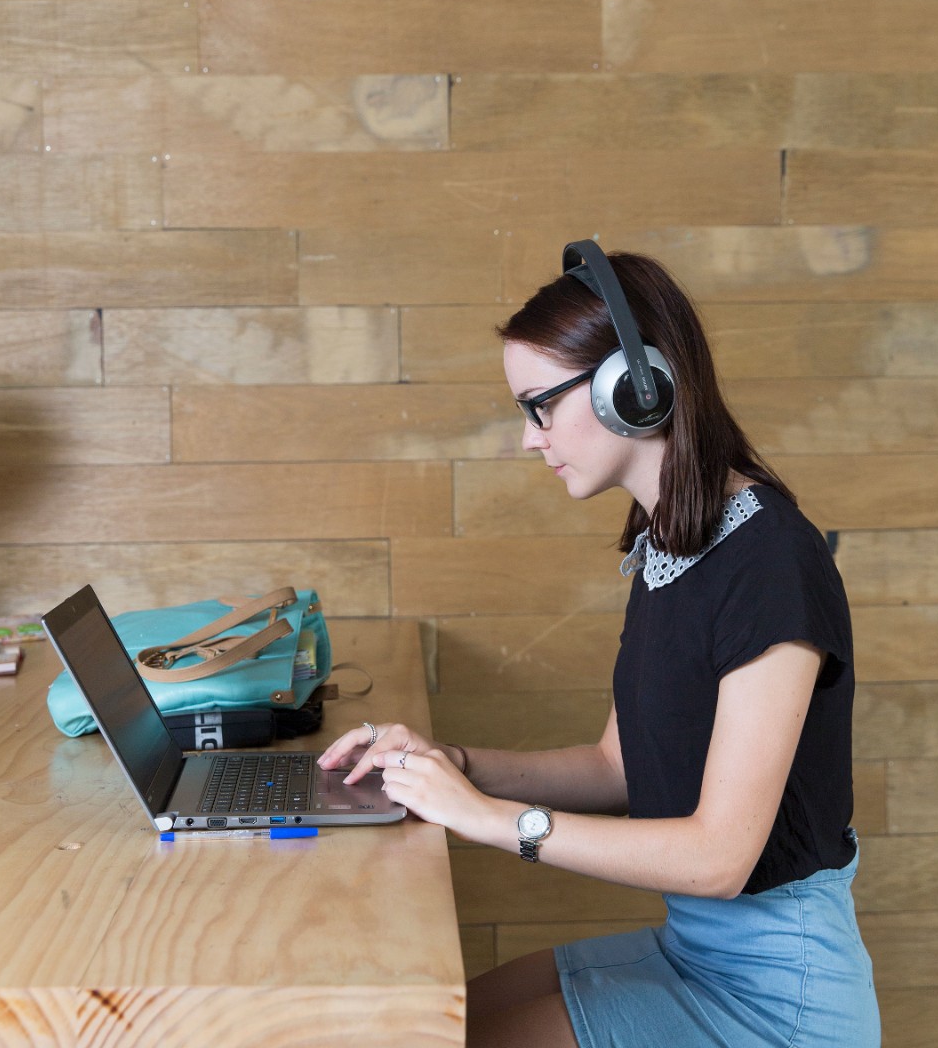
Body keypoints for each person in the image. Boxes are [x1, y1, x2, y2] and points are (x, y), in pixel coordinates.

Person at [318, 242, 881, 1048]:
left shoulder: (771, 564)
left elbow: (721, 857)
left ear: (636, 387)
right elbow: (617, 769)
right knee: (432, 1024)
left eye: (539, 404)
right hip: (698, 953)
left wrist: (491, 820)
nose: (529, 438)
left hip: (776, 997)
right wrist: (448, 766)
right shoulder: (675, 544)